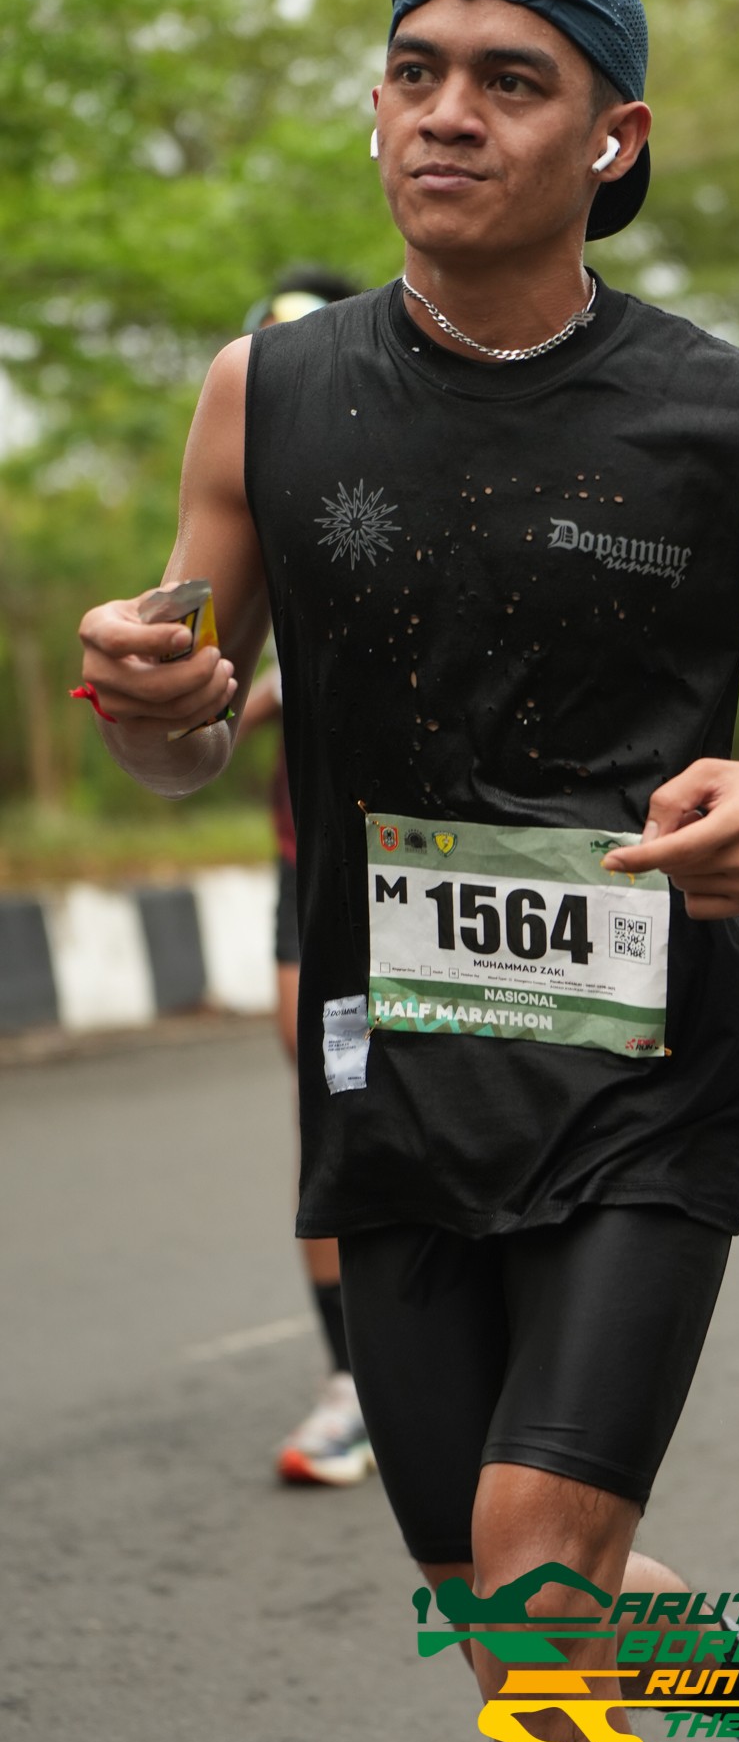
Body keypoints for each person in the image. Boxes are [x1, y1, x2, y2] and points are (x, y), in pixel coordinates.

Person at [77, 0, 739, 1742]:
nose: (445, 112)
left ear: (611, 139)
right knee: (501, 1602)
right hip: (390, 1067)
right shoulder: (267, 397)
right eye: (416, 71)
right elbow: (187, 732)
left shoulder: (732, 418)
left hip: (646, 1066)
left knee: (538, 1585)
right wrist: (158, 704)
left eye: (507, 80)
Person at [237, 266, 376, 1487]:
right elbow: (200, 711)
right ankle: (353, 1381)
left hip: (450, 868)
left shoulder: (433, 455)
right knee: (331, 1106)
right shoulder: (248, 487)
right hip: (315, 868)